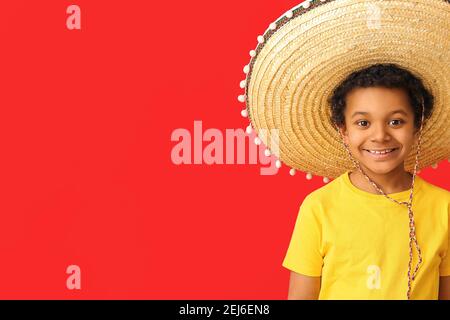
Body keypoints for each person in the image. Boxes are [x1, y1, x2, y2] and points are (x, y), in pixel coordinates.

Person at [238, 0, 450, 299]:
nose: (380, 135)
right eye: (363, 122)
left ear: (418, 124)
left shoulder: (444, 208)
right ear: (343, 130)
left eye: (396, 121)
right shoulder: (319, 208)